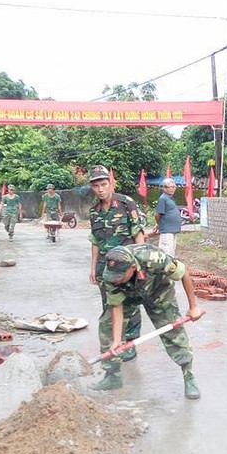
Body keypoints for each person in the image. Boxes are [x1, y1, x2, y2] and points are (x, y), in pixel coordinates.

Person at [98, 244, 204, 397]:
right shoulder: (111, 274)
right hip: (128, 295)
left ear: (133, 267)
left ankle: (189, 376)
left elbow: (183, 273)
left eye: (120, 276)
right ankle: (112, 376)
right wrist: (116, 339)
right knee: (107, 325)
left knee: (174, 332)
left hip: (158, 292)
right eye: (114, 276)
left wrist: (193, 307)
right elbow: (116, 306)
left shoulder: (154, 258)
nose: (116, 280)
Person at [88, 165, 146, 385]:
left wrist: (140, 264)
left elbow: (138, 233)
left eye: (103, 184)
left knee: (130, 304)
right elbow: (95, 240)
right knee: (110, 306)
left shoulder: (125, 203)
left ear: (110, 183)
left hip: (127, 264)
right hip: (106, 266)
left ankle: (131, 342)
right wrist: (93, 267)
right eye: (96, 186)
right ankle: (116, 340)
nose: (101, 189)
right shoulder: (94, 211)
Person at [152, 177, 182, 257]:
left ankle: (171, 267)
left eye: (174, 187)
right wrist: (159, 224)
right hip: (167, 230)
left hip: (172, 230)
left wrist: (158, 225)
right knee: (167, 252)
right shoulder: (163, 199)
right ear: (165, 188)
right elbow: (158, 214)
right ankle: (166, 268)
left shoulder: (170, 198)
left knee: (171, 250)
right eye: (171, 187)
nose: (174, 189)